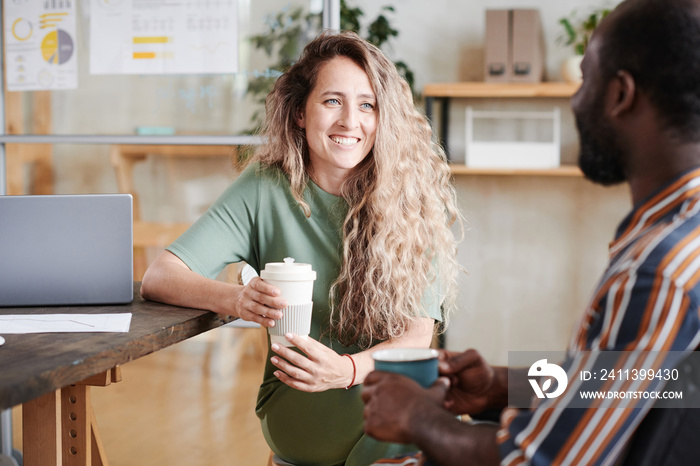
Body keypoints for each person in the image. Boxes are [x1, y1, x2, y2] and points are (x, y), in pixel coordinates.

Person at [361, 0, 700, 464]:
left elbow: (540, 460)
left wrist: (421, 418)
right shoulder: (683, 237)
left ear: (621, 94)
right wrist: (506, 385)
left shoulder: (661, 270)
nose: (576, 100)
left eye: (586, 79)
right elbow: (662, 383)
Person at [140, 31, 461, 465]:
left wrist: (346, 371)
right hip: (302, 398)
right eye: (333, 101)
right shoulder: (264, 188)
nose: (351, 121)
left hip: (388, 390)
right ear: (299, 114)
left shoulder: (412, 201)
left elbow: (417, 335)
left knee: (426, 417)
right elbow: (160, 277)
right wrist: (237, 299)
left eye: (367, 105)